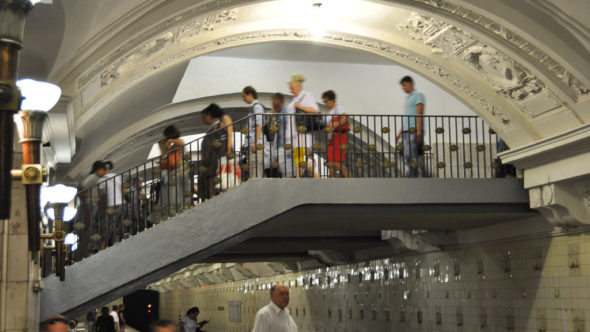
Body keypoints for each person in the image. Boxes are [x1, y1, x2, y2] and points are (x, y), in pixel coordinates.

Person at [285, 74, 319, 178]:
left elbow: (315, 111)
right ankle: (316, 177)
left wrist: (301, 107)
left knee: (298, 158)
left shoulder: (307, 95)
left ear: (298, 87)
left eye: (292, 88)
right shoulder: (295, 100)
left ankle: (298, 180)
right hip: (294, 134)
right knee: (298, 158)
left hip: (301, 133)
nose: (291, 91)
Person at [198, 103, 234, 200]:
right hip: (215, 154)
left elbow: (230, 134)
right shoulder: (214, 126)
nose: (205, 119)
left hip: (223, 150)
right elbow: (212, 142)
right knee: (215, 176)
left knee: (224, 174)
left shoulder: (225, 118)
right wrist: (206, 157)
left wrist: (229, 149)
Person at [158, 126, 190, 219]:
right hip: (176, 173)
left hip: (179, 174)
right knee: (175, 195)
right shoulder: (174, 146)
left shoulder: (179, 142)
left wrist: (168, 142)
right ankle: (175, 213)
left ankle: (178, 212)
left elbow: (180, 142)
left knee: (177, 194)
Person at [91, 160, 125, 248]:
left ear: (100, 170)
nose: (96, 174)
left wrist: (101, 208)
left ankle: (103, 246)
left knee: (107, 225)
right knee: (115, 224)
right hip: (120, 203)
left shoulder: (101, 180)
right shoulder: (116, 176)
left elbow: (102, 196)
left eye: (96, 172)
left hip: (111, 205)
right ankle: (115, 242)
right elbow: (123, 189)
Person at [396, 76, 424, 178]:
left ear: (411, 84)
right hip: (406, 131)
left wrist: (419, 130)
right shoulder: (408, 98)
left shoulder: (418, 95)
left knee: (412, 154)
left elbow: (419, 112)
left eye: (404, 85)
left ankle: (413, 175)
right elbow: (407, 117)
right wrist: (400, 133)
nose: (403, 88)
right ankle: (409, 174)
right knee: (406, 154)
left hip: (414, 130)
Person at [322, 90, 350, 178]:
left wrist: (334, 124)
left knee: (336, 162)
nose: (325, 103)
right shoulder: (330, 113)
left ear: (332, 100)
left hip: (339, 137)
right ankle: (333, 181)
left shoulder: (338, 108)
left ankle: (349, 179)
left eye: (326, 101)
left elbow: (344, 118)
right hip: (332, 138)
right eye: (324, 101)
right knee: (330, 162)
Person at [242, 86, 265, 178]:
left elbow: (259, 125)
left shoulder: (257, 107)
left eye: (244, 96)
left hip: (255, 144)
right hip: (252, 143)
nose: (243, 99)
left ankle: (257, 191)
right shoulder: (252, 108)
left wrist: (255, 143)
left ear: (250, 94)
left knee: (256, 171)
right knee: (253, 170)